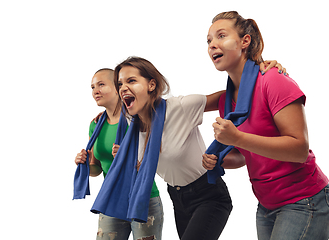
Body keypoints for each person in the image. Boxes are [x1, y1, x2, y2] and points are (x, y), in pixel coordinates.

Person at [105, 56, 284, 240]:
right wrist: (131, 160)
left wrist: (261, 72)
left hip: (208, 195)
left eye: (131, 80)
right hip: (177, 197)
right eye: (119, 84)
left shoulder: (180, 107)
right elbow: (154, 157)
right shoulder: (132, 122)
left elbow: (231, 97)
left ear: (151, 85)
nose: (123, 87)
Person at [203, 11, 329, 240]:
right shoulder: (228, 102)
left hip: (304, 202)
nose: (213, 44)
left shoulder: (273, 80)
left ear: (245, 41)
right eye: (208, 40)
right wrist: (221, 159)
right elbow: (247, 155)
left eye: (221, 36)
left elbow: (299, 149)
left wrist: (237, 138)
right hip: (266, 206)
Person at [74, 68, 164, 240]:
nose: (95, 91)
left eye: (101, 84)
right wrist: (84, 164)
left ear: (117, 88)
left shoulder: (139, 119)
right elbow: (97, 170)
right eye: (92, 87)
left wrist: (127, 156)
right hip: (112, 199)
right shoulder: (96, 125)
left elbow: (155, 157)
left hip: (143, 198)